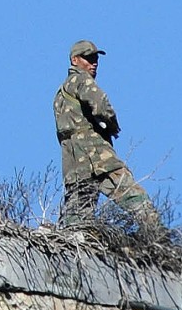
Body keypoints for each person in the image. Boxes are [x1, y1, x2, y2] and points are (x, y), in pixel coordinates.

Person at [53, 40, 161, 228]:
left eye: (95, 58)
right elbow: (101, 105)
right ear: (75, 60)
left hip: (73, 161)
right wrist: (112, 126)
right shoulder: (81, 80)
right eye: (88, 58)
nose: (93, 62)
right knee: (129, 192)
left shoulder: (59, 95)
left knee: (77, 211)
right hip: (95, 153)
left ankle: (75, 247)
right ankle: (156, 234)